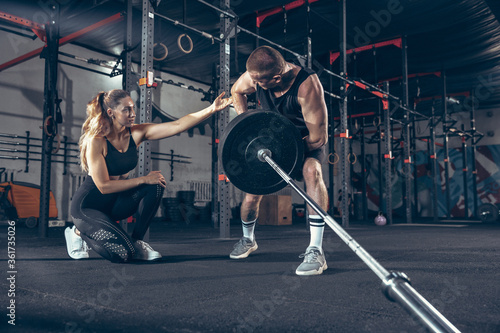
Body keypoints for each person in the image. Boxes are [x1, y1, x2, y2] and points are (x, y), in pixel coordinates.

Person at [65, 89, 232, 262]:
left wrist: (212, 109)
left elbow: (177, 126)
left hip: (115, 205)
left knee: (155, 184)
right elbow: (104, 186)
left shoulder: (136, 133)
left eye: (133, 108)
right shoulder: (97, 140)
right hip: (88, 208)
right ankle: (78, 232)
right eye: (126, 109)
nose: (132, 114)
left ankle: (137, 241)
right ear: (111, 112)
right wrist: (143, 179)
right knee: (124, 254)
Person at [229, 46, 329, 276]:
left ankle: (316, 250)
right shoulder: (256, 76)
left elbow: (318, 138)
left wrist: (283, 150)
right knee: (252, 191)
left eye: (258, 82)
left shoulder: (307, 86)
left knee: (312, 171)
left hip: (304, 141)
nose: (253, 84)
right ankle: (247, 240)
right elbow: (236, 91)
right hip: (271, 141)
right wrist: (247, 124)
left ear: (276, 78)